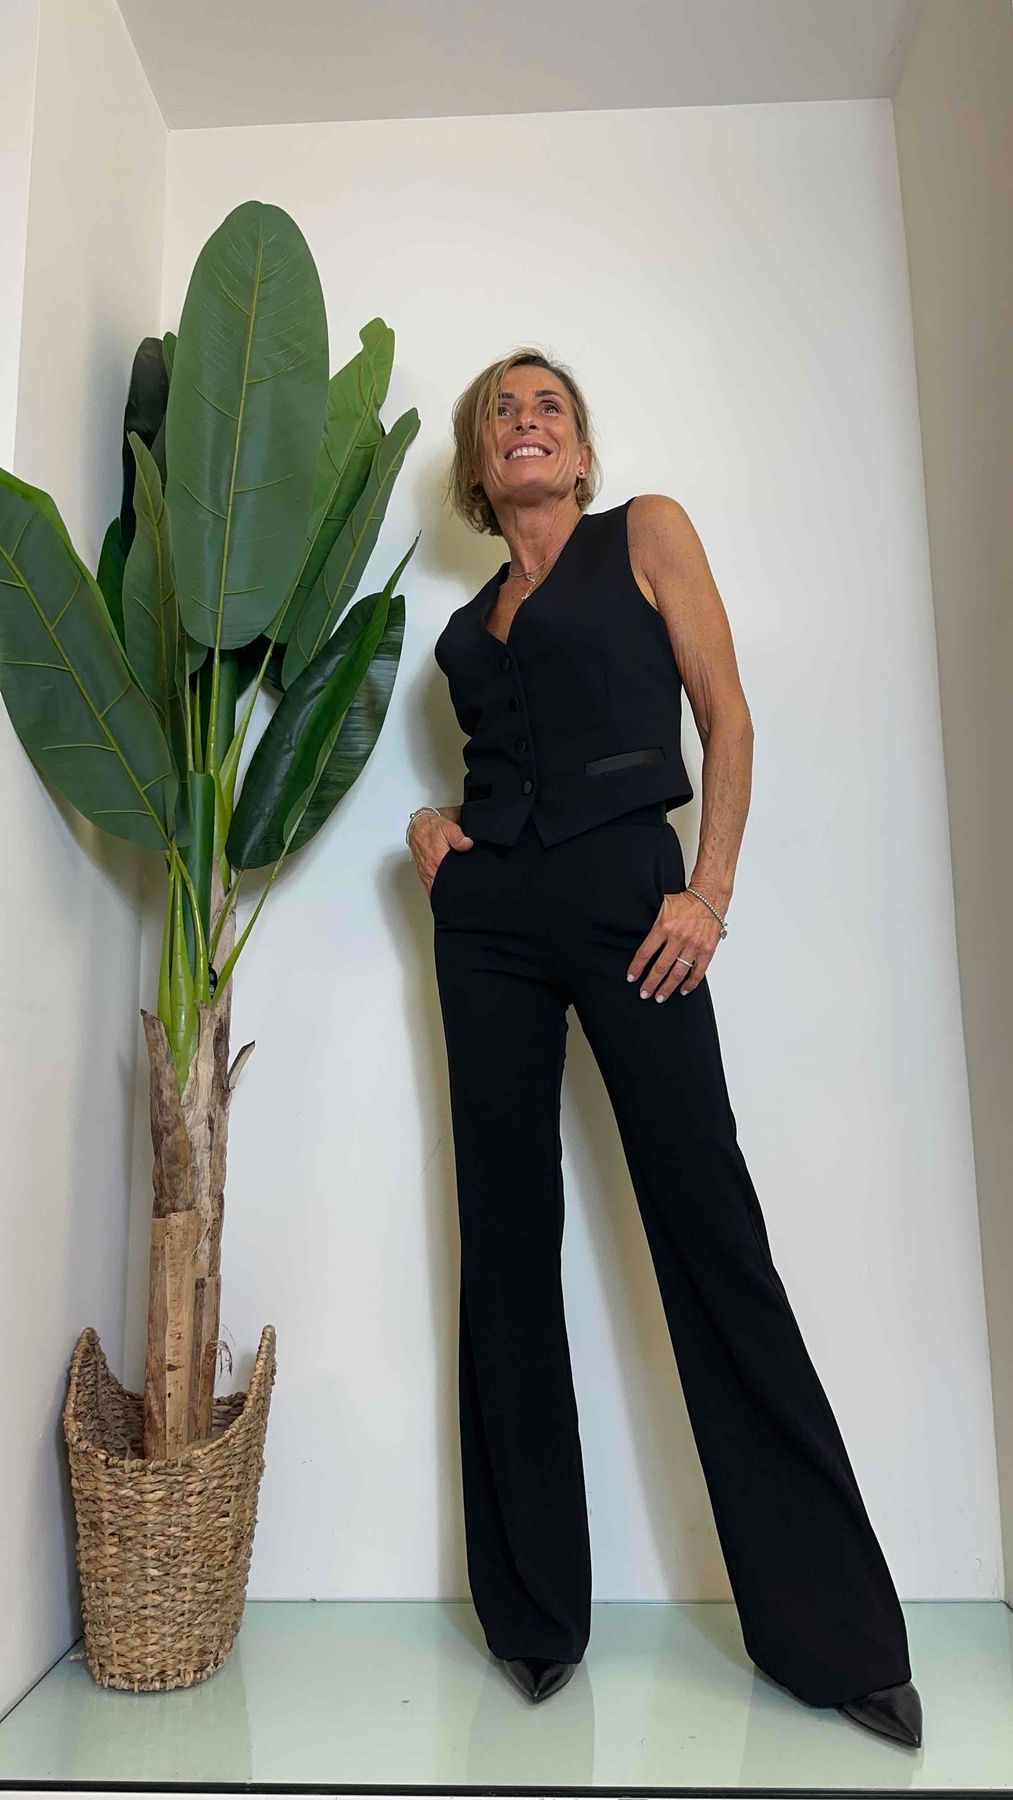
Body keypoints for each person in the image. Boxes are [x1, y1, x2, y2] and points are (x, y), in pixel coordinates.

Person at [406, 346, 922, 1749]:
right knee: (505, 1237)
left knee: (709, 1225)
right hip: (491, 923)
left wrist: (708, 891)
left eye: (548, 407)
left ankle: (831, 1637)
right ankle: (533, 1616)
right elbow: (485, 778)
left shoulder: (646, 532)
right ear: (480, 463)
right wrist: (433, 830)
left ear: (579, 452)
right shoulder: (463, 630)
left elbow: (726, 711)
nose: (524, 422)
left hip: (635, 903)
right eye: (501, 411)